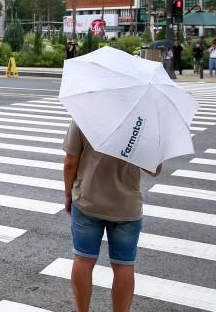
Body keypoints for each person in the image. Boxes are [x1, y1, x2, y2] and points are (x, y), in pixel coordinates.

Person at [63, 120, 161, 312]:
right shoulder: (142, 122)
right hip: (126, 207)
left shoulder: (85, 115)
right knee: (124, 265)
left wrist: (68, 194)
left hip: (87, 201)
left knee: (83, 259)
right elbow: (155, 170)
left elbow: (70, 162)